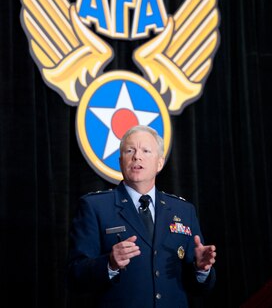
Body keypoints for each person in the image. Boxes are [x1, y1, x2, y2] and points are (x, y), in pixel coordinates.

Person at [67, 125, 216, 307]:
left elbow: (199, 289)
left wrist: (200, 269)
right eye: (130, 150)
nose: (137, 156)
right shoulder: (95, 206)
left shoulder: (184, 210)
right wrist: (110, 263)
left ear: (160, 163)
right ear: (121, 161)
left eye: (146, 151)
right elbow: (75, 275)